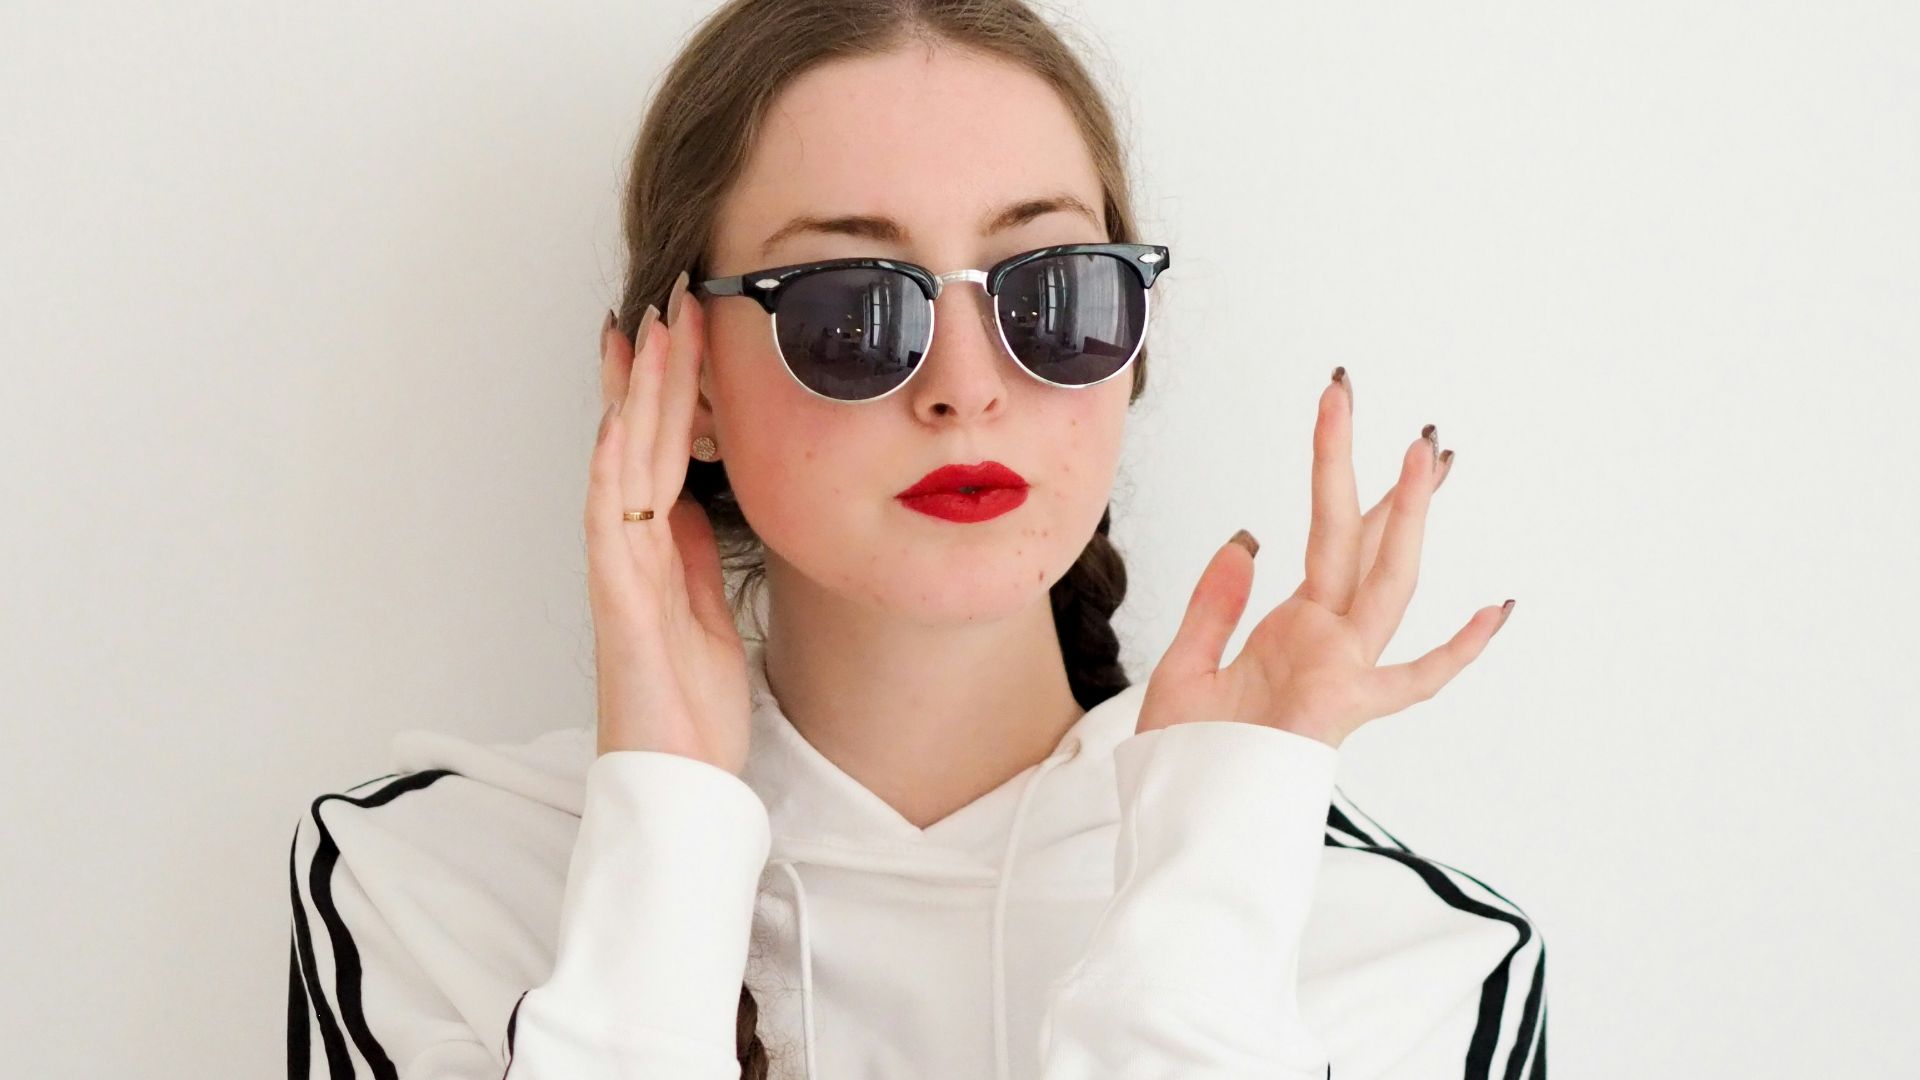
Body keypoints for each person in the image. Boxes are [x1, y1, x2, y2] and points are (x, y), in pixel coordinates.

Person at [285, 1, 1548, 1077]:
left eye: (1049, 292)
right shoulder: (421, 884)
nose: (966, 386)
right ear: (692, 386)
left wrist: (1214, 886)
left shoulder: (1421, 957)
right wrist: (665, 835)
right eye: (849, 310)